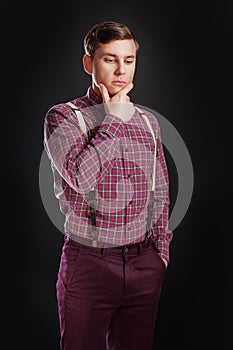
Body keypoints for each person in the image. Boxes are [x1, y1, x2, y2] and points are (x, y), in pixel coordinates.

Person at [43, 20, 173, 350]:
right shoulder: (64, 117)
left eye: (128, 60)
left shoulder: (148, 122)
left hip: (144, 264)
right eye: (109, 58)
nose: (121, 69)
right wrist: (113, 118)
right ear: (89, 62)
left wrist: (161, 253)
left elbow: (159, 191)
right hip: (89, 263)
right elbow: (82, 178)